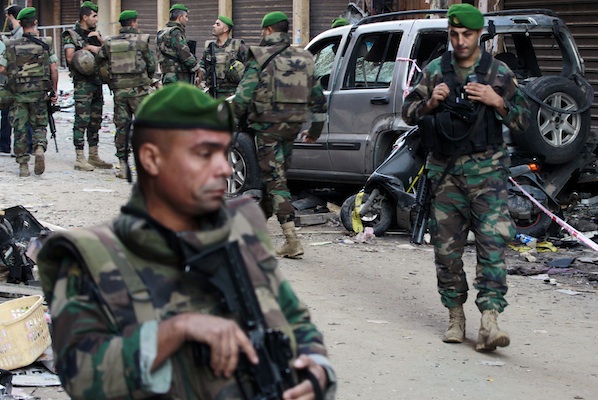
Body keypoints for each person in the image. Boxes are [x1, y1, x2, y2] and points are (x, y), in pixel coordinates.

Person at [37, 82, 337, 400]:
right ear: (152, 159)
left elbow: (294, 317)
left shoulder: (241, 228)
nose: (224, 168)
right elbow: (81, 376)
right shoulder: (93, 256)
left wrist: (316, 369)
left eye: (224, 152)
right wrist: (177, 330)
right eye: (204, 153)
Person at [401, 4, 530, 351]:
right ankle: (455, 316)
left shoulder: (498, 73)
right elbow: (407, 112)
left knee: (492, 247)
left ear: (479, 36)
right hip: (445, 176)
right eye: (454, 35)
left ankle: (489, 320)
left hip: (487, 174)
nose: (460, 41)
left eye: (467, 35)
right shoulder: (435, 71)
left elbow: (525, 122)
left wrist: (497, 101)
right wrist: (429, 103)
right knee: (447, 252)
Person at [233, 11, 327, 259]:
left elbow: (243, 96)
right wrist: (315, 130)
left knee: (276, 180)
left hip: (267, 127)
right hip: (292, 126)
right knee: (271, 177)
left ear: (267, 31)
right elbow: (319, 99)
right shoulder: (305, 57)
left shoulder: (261, 57)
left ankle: (291, 240)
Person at [96, 10, 156, 179]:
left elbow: (99, 63)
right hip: (139, 91)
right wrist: (147, 80)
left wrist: (110, 81)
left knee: (122, 127)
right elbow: (151, 64)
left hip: (120, 91)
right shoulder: (142, 40)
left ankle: (123, 165)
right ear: (134, 23)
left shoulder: (109, 43)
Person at [0, 7, 58, 177]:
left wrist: (13, 74)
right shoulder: (45, 43)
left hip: (18, 93)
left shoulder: (11, 44)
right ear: (35, 23)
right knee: (39, 125)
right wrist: (54, 91)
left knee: (19, 128)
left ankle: (23, 165)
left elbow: (2, 67)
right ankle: (39, 147)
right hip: (39, 93)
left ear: (21, 23)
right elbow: (53, 68)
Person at [63, 0, 112, 172]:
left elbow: (107, 54)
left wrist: (99, 40)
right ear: (85, 17)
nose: (96, 19)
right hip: (83, 84)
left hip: (97, 82)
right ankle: (79, 157)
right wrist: (88, 48)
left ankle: (93, 155)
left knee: (95, 120)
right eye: (94, 16)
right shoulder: (72, 34)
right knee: (82, 120)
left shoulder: (94, 34)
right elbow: (70, 58)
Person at [0, 4, 34, 156]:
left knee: (18, 115)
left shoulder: (19, 35)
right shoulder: (19, 34)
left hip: (18, 82)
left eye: (8, 17)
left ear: (12, 17)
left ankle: (22, 147)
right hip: (27, 81)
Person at [198, 16, 248, 98]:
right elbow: (202, 64)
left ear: (225, 29)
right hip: (211, 92)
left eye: (217, 24)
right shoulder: (210, 46)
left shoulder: (237, 45)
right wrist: (200, 74)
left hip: (230, 94)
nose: (213, 26)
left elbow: (248, 67)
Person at [156, 4, 200, 85]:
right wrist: (197, 68)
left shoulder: (162, 33)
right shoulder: (176, 32)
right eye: (186, 16)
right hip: (178, 77)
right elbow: (184, 53)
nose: (187, 19)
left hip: (166, 76)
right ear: (180, 17)